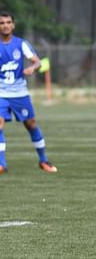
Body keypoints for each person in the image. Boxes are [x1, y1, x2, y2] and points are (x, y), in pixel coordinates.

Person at [0, 12, 57, 174]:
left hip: (19, 93)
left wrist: (32, 67)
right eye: (2, 23)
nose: (5, 25)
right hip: (1, 93)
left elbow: (38, 61)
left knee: (31, 124)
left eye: (8, 22)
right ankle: (2, 164)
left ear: (13, 25)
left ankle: (43, 160)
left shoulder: (21, 44)